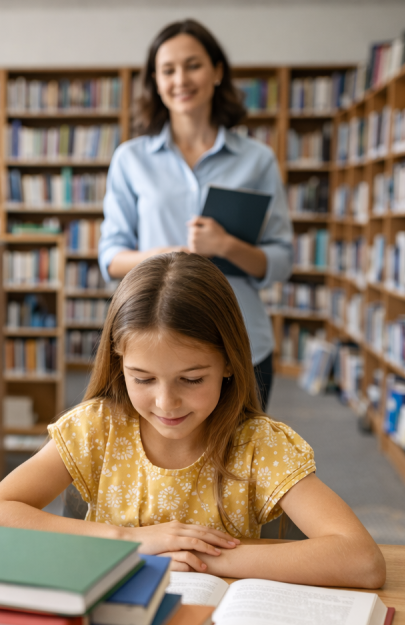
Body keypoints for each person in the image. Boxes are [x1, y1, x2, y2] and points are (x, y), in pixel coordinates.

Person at [0, 253, 385, 588]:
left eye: (192, 379)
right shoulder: (96, 428)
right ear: (118, 363)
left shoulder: (259, 444)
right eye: (143, 379)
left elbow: (362, 560)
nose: (166, 402)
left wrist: (199, 558)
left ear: (228, 363)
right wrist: (131, 540)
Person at [98, 18, 292, 410]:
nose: (181, 79)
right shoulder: (130, 159)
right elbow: (111, 258)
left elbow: (281, 261)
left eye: (193, 65)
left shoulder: (258, 160)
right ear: (155, 81)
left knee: (240, 450)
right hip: (153, 346)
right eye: (168, 70)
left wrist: (226, 245)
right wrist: (162, 258)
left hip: (241, 344)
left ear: (217, 71)